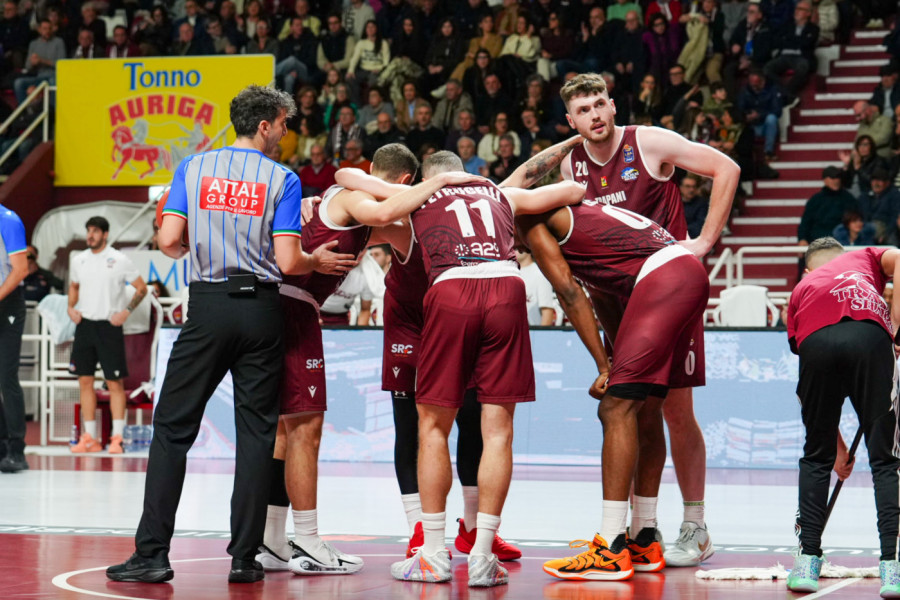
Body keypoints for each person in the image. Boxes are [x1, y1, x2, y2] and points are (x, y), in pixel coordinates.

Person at [105, 85, 355, 585]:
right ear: (264, 125)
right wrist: (315, 260)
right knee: (257, 435)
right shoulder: (282, 178)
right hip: (262, 311)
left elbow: (170, 242)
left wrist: (194, 248)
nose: (286, 133)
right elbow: (288, 262)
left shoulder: (192, 169)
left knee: (173, 430)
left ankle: (152, 553)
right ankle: (245, 559)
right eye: (284, 124)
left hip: (209, 306)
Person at [503, 72, 740, 569]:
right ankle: (640, 532)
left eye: (599, 105)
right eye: (582, 111)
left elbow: (726, 167)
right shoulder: (570, 164)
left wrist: (702, 243)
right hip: (620, 299)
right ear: (570, 121)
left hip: (666, 285)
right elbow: (518, 188)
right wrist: (576, 138)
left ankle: (693, 525)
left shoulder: (647, 141)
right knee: (635, 409)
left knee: (673, 410)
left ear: (613, 105)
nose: (595, 116)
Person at [255, 144, 479, 577]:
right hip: (291, 306)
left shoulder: (339, 199)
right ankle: (307, 538)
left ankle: (270, 535)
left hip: (272, 304)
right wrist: (446, 182)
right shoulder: (358, 202)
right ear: (404, 184)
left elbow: (370, 207)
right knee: (306, 427)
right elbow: (381, 213)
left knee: (284, 430)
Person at [384, 151, 586, 587]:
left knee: (433, 427)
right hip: (507, 286)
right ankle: (482, 554)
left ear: (431, 178)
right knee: (498, 430)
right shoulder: (498, 192)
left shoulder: (418, 196)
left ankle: (433, 553)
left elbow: (355, 186)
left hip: (452, 287)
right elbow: (574, 190)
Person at [332, 164, 525, 566]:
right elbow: (349, 186)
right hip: (411, 325)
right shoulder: (406, 213)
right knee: (413, 426)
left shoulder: (471, 206)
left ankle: (473, 530)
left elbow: (519, 182)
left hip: (457, 314)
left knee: (472, 419)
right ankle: (420, 527)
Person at [784, 237, 900, 596]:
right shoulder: (864, 257)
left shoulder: (801, 288)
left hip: (816, 342)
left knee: (815, 456)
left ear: (808, 269)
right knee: (885, 461)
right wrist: (897, 326)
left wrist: (834, 450)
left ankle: (807, 564)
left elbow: (809, 395)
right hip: (869, 337)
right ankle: (892, 570)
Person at [67, 217, 148, 454]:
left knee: (115, 383)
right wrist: (70, 308)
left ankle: (117, 438)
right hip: (85, 326)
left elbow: (141, 288)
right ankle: (90, 437)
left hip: (109, 326)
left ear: (105, 233)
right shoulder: (78, 260)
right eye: (88, 231)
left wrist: (126, 312)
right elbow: (73, 286)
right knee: (85, 381)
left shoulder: (120, 259)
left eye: (95, 231)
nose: (90, 235)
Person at [0, 204, 28, 473]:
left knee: (6, 376)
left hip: (8, 303)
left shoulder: (8, 220)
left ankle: (16, 449)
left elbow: (20, 270)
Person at [763, 0, 818, 106]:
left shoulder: (814, 29)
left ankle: (785, 94)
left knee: (803, 67)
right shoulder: (786, 25)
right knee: (767, 69)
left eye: (801, 9)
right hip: (784, 55)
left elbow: (806, 44)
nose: (797, 11)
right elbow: (778, 41)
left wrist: (790, 40)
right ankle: (788, 95)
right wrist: (797, 40)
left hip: (800, 57)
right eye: (796, 8)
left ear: (808, 13)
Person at [797, 166, 859, 246]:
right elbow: (805, 222)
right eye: (832, 177)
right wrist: (802, 239)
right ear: (825, 180)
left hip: (843, 242)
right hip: (818, 242)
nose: (836, 180)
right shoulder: (815, 200)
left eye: (838, 177)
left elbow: (855, 220)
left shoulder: (849, 199)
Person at [13, 19, 65, 104]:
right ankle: (24, 112)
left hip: (54, 75)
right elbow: (27, 66)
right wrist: (33, 63)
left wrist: (42, 61)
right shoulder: (33, 44)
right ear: (39, 30)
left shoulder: (59, 42)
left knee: (53, 81)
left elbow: (61, 64)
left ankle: (52, 112)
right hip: (39, 77)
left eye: (49, 28)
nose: (47, 31)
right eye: (44, 29)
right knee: (18, 83)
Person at [516, 249, 555, 326]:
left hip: (532, 335)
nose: (514, 247)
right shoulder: (507, 272)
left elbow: (547, 312)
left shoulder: (540, 274)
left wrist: (540, 337)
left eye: (516, 247)